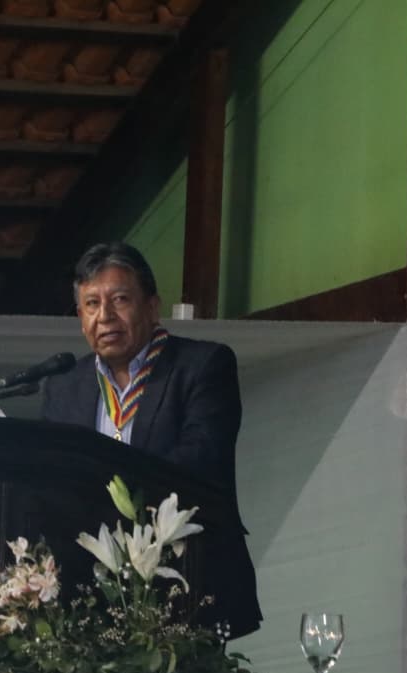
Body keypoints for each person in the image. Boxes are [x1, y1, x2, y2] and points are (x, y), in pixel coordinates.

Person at [41, 241, 262, 637]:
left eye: (119, 299)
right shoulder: (63, 386)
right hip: (91, 593)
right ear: (80, 317)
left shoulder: (202, 366)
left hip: (189, 584)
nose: (105, 316)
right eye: (91, 304)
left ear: (152, 307)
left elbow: (201, 459)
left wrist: (108, 483)